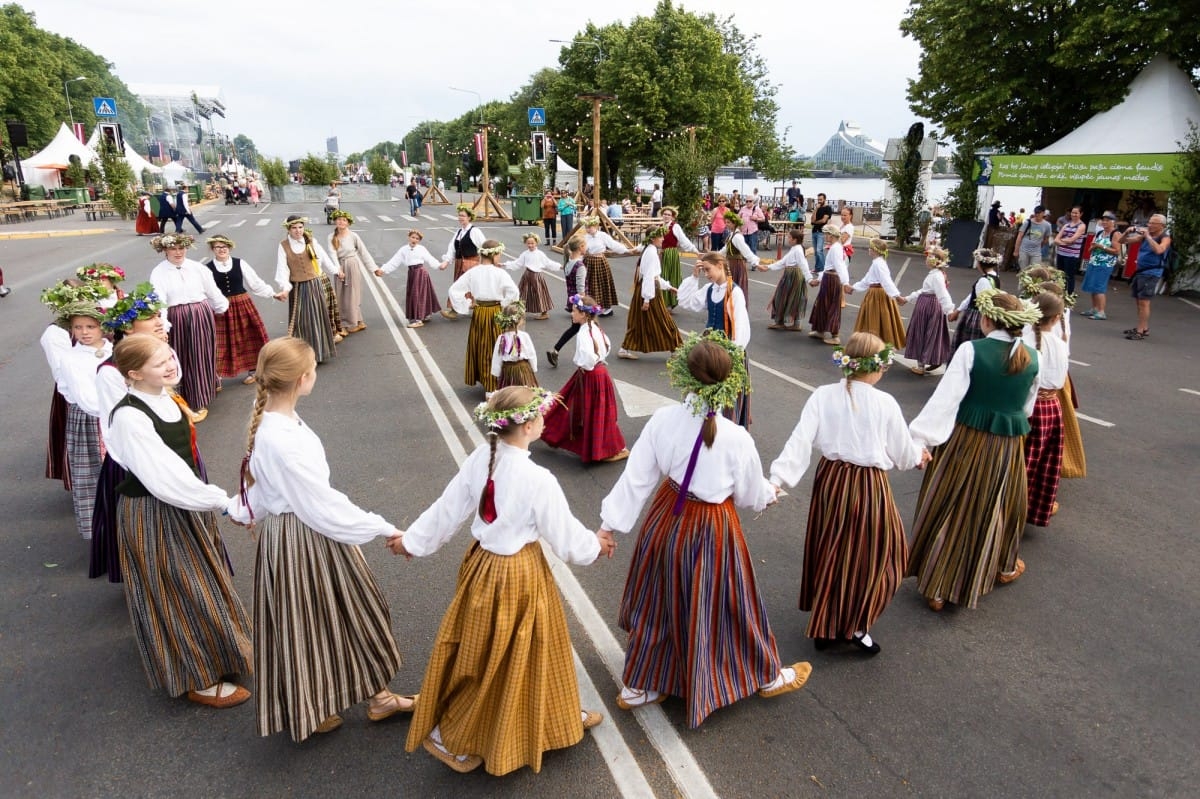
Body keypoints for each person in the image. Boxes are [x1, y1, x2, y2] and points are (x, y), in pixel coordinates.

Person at [393, 387, 612, 774]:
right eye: (541, 415)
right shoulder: (538, 478)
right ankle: (466, 735)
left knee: (480, 650)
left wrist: (412, 541)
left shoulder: (482, 457)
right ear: (528, 427)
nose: (545, 419)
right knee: (528, 648)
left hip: (482, 566)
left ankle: (548, 717)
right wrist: (595, 546)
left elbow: (448, 509)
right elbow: (567, 539)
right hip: (519, 574)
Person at [599, 334, 809, 727]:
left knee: (659, 596)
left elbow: (637, 478)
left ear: (685, 377)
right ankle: (763, 675)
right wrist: (770, 493)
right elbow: (749, 494)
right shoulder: (736, 437)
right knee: (729, 601)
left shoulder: (663, 420)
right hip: (713, 527)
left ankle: (640, 685)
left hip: (667, 516)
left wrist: (610, 526)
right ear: (729, 382)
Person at [228, 337, 416, 742]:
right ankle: (323, 706)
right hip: (305, 538)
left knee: (322, 621)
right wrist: (383, 527)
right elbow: (321, 504)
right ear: (302, 378)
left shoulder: (276, 423)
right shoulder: (283, 437)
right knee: (330, 619)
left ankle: (371, 697)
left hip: (294, 532)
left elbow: (263, 488)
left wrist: (242, 511)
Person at [106, 334, 253, 708]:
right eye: (160, 363)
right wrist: (221, 502)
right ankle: (198, 679)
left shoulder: (165, 396)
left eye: (170, 356)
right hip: (154, 512)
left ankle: (224, 653)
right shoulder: (129, 415)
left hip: (181, 503)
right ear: (135, 374)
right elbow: (163, 478)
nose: (171, 364)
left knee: (202, 579)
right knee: (179, 590)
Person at [769, 333, 928, 654]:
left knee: (833, 549)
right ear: (878, 367)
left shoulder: (823, 395)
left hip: (831, 480)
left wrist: (778, 479)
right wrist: (919, 456)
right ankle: (854, 625)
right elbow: (902, 454)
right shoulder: (885, 403)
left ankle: (827, 627)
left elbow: (800, 440)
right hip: (868, 486)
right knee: (882, 554)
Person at [906, 289, 1041, 610]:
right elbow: (1028, 408)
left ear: (988, 319)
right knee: (995, 505)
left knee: (952, 502)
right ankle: (997, 568)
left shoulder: (971, 351)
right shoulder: (1033, 357)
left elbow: (946, 399)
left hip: (967, 439)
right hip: (1007, 446)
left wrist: (920, 440)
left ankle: (937, 585)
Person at [45, 296, 110, 541]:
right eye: (78, 327)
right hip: (91, 420)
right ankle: (102, 533)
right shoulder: (72, 359)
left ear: (102, 326)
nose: (84, 332)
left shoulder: (116, 350)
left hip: (117, 415)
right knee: (94, 477)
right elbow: (87, 400)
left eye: (90, 326)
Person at [149, 233, 228, 422]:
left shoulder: (197, 268)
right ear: (165, 250)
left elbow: (212, 291)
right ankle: (189, 398)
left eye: (181, 248)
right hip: (178, 318)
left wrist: (221, 307)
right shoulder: (159, 273)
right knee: (184, 356)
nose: (178, 252)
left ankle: (204, 391)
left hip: (201, 313)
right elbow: (160, 302)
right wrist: (164, 327)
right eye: (173, 249)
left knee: (203, 353)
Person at [541, 294, 628, 463]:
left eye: (574, 311)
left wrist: (584, 365)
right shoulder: (595, 327)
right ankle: (601, 446)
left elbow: (587, 359)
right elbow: (607, 347)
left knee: (584, 410)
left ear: (583, 314)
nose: (571, 314)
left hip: (590, 375)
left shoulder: (583, 333)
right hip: (599, 372)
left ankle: (607, 448)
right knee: (591, 410)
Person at [677, 251, 753, 427]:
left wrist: (732, 353)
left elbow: (741, 327)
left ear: (720, 266)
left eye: (708, 270)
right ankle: (705, 424)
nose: (706, 274)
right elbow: (686, 302)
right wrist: (694, 277)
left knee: (726, 394)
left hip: (727, 351)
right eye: (703, 271)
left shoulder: (735, 292)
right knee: (704, 388)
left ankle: (726, 426)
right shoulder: (709, 289)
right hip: (709, 349)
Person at [202, 235, 284, 387]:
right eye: (218, 247)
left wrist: (272, 293)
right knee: (220, 341)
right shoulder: (207, 269)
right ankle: (216, 376)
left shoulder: (240, 263)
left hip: (242, 303)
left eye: (224, 246)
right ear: (213, 249)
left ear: (229, 248)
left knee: (249, 335)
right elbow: (205, 291)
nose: (222, 250)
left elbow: (255, 283)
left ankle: (255, 370)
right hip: (221, 308)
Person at [1021, 292, 1068, 527]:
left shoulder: (1025, 341)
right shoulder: (1060, 344)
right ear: (1058, 317)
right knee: (1044, 463)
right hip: (1052, 407)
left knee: (1025, 462)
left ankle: (1014, 509)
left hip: (1030, 406)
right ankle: (1035, 510)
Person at [447, 240, 520, 393]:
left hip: (480, 313)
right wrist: (504, 304)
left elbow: (454, 290)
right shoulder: (500, 273)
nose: (500, 257)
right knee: (496, 346)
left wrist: (467, 303)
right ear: (493, 255)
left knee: (482, 346)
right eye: (499, 254)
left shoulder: (473, 272)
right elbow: (514, 292)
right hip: (496, 313)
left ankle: (488, 383)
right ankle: (495, 384)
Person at [274, 215, 340, 364]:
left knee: (317, 318)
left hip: (314, 284)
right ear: (288, 229)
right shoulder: (283, 245)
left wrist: (336, 271)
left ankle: (319, 353)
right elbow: (282, 269)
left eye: (300, 227)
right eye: (294, 228)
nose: (298, 231)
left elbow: (322, 258)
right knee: (302, 322)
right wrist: (285, 288)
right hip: (298, 288)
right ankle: (303, 356)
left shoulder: (310, 241)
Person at [618, 226, 682, 360]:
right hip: (649, 291)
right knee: (663, 319)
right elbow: (649, 276)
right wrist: (647, 299)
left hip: (646, 289)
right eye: (661, 237)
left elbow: (653, 276)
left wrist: (669, 287)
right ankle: (676, 348)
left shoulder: (649, 249)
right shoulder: (651, 253)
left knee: (639, 320)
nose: (663, 239)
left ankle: (624, 348)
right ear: (653, 238)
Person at [845, 238, 908, 349]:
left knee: (875, 320)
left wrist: (897, 296)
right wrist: (853, 288)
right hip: (875, 293)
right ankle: (875, 345)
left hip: (877, 295)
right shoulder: (877, 263)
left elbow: (886, 281)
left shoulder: (879, 264)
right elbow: (867, 280)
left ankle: (875, 346)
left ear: (876, 250)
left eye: (871, 248)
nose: (869, 249)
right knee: (880, 320)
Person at [903, 247, 955, 375]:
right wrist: (908, 298)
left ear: (934, 261)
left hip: (928, 306)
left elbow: (942, 294)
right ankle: (934, 359)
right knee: (932, 333)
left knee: (923, 332)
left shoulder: (936, 276)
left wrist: (949, 311)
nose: (926, 259)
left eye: (929, 257)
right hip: (929, 305)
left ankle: (922, 366)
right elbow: (924, 289)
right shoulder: (936, 274)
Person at [375, 229, 443, 327]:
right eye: (413, 237)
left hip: (420, 273)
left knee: (419, 295)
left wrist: (439, 265)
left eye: (417, 238)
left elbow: (430, 258)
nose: (414, 240)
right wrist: (383, 270)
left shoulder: (421, 249)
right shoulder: (403, 249)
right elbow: (394, 261)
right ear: (409, 237)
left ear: (419, 240)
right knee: (415, 295)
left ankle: (418, 319)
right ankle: (423, 315)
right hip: (412, 273)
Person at [1120, 213, 1172, 341]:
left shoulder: (1165, 237)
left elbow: (1159, 250)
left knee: (1144, 302)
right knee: (1139, 301)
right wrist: (1127, 232)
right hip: (1140, 271)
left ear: (1162, 226)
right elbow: (1122, 241)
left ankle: (1140, 331)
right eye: (1149, 222)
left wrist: (1148, 236)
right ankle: (1144, 327)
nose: (1150, 225)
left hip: (1152, 273)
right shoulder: (1144, 236)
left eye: (1153, 223)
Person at [326, 210, 376, 335]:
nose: (341, 222)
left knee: (353, 294)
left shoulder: (353, 236)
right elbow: (332, 254)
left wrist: (374, 269)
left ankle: (354, 322)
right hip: (339, 266)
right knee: (340, 295)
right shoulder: (331, 237)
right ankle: (344, 323)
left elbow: (364, 253)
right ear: (335, 221)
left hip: (352, 265)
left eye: (344, 220)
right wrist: (338, 269)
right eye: (338, 219)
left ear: (348, 223)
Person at [759, 228, 814, 330]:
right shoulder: (795, 248)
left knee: (789, 297)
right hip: (791, 274)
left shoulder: (797, 249)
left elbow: (803, 264)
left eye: (789, 237)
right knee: (788, 297)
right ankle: (784, 322)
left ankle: (790, 323)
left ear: (795, 239)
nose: (788, 239)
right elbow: (783, 262)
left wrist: (809, 279)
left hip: (794, 275)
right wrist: (768, 267)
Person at [546, 236, 588, 368]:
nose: (586, 248)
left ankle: (556, 350)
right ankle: (588, 356)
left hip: (571, 300)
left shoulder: (569, 262)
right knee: (587, 328)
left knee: (576, 328)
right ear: (580, 248)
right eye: (584, 245)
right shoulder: (579, 266)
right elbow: (580, 289)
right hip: (579, 302)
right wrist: (582, 306)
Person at [949, 248, 1002, 351]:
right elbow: (972, 295)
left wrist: (958, 310)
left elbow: (980, 300)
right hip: (984, 316)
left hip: (977, 316)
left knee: (969, 344)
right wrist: (959, 310)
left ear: (980, 263)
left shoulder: (984, 280)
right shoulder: (995, 277)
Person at [439, 204, 486, 320]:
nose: (460, 218)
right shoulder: (459, 232)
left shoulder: (475, 231)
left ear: (469, 217)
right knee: (459, 286)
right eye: (459, 215)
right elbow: (452, 248)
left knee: (470, 287)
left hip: (471, 263)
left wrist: (486, 263)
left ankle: (458, 310)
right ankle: (456, 310)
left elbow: (484, 246)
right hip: (460, 263)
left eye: (463, 216)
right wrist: (446, 261)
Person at [582, 216, 636, 316]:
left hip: (599, 262)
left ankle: (607, 308)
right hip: (588, 262)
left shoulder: (603, 235)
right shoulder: (585, 237)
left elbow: (614, 245)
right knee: (590, 285)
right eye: (586, 227)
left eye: (590, 227)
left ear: (596, 226)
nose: (588, 229)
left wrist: (627, 250)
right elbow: (581, 250)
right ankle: (593, 305)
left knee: (603, 284)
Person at [808, 223, 850, 345]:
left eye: (826, 234)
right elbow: (827, 267)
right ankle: (820, 330)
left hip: (832, 280)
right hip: (828, 278)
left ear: (831, 236)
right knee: (822, 304)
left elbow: (839, 266)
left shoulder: (836, 248)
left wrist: (845, 282)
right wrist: (820, 279)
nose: (825, 236)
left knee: (832, 305)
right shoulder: (835, 247)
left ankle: (835, 335)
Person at [503, 232, 560, 320]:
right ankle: (520, 311)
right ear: (526, 243)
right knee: (523, 293)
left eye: (532, 243)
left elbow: (548, 263)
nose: (530, 245)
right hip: (527, 275)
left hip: (537, 276)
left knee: (540, 294)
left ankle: (544, 313)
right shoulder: (525, 254)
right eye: (528, 243)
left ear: (536, 243)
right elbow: (517, 263)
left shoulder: (540, 254)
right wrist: (504, 264)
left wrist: (559, 266)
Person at [1079, 211, 1122, 321]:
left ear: (1113, 222)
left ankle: (1101, 311)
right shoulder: (1100, 233)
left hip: (1105, 264)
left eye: (1107, 221)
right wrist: (1093, 247)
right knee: (1092, 286)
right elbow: (1091, 247)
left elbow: (1117, 251)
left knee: (1099, 287)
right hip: (1094, 261)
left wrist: (1101, 246)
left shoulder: (1116, 234)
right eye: (1103, 220)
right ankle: (1094, 308)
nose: (1104, 222)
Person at [654, 206, 698, 310]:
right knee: (661, 276)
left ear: (673, 217)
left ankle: (670, 302)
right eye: (665, 214)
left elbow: (684, 240)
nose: (666, 216)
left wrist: (695, 251)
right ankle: (663, 301)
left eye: (669, 215)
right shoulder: (660, 226)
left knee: (671, 276)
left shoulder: (675, 227)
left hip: (671, 254)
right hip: (662, 253)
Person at [491, 301, 538, 389]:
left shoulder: (501, 338)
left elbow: (497, 357)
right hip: (523, 370)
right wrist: (533, 368)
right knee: (524, 390)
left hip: (507, 371)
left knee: (509, 391)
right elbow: (531, 354)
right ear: (520, 320)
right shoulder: (524, 336)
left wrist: (496, 373)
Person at [722, 210, 760, 300]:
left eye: (728, 222)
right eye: (725, 222)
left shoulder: (737, 237)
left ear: (734, 223)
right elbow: (725, 249)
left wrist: (756, 263)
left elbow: (747, 252)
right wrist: (712, 255)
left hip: (737, 266)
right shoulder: (731, 234)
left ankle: (736, 309)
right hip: (731, 264)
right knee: (730, 288)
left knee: (736, 289)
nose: (726, 224)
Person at [1053, 206, 1087, 293]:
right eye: (1072, 212)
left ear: (1081, 214)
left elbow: (1073, 239)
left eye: (1076, 213)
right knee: (1060, 275)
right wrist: (1065, 242)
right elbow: (1056, 239)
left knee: (1069, 276)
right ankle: (1060, 292)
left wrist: (1062, 241)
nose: (1074, 215)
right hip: (1061, 253)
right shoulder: (1066, 225)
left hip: (1072, 255)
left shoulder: (1082, 226)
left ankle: (1069, 295)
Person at [1014, 205, 1052, 269]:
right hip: (1024, 250)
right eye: (1035, 213)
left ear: (1043, 213)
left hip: (1036, 252)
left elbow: (1046, 238)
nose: (1036, 214)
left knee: (1035, 270)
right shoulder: (1027, 222)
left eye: (1038, 213)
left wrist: (1039, 245)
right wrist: (1016, 251)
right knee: (1024, 271)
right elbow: (1019, 236)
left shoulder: (1047, 225)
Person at [811, 194, 834, 273]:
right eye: (818, 199)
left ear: (824, 199)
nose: (819, 201)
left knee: (819, 251)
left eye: (821, 199)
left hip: (821, 232)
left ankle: (823, 269)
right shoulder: (817, 208)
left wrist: (815, 222)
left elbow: (824, 220)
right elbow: (812, 219)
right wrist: (815, 210)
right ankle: (817, 268)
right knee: (815, 252)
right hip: (814, 231)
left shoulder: (828, 208)